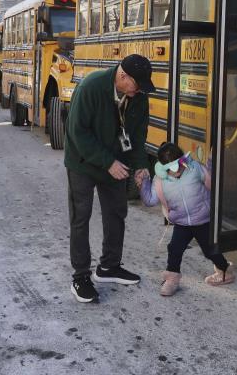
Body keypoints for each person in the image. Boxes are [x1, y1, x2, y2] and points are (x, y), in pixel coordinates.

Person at [64, 54, 154, 303]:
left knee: (116, 213)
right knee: (80, 217)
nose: (140, 90)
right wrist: (108, 162)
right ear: (122, 76)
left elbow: (137, 137)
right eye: (138, 84)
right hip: (83, 162)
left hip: (116, 162)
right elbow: (77, 132)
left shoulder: (139, 97)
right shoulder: (91, 87)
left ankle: (108, 267)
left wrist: (140, 167)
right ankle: (80, 276)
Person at [136, 142, 234, 296]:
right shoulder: (160, 180)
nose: (176, 171)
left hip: (202, 220)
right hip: (182, 223)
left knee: (210, 251)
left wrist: (211, 161)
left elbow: (212, 180)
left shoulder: (195, 168)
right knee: (174, 249)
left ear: (183, 160)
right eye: (170, 168)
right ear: (162, 167)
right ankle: (172, 280)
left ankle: (224, 270)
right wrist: (144, 183)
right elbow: (149, 200)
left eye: (179, 165)